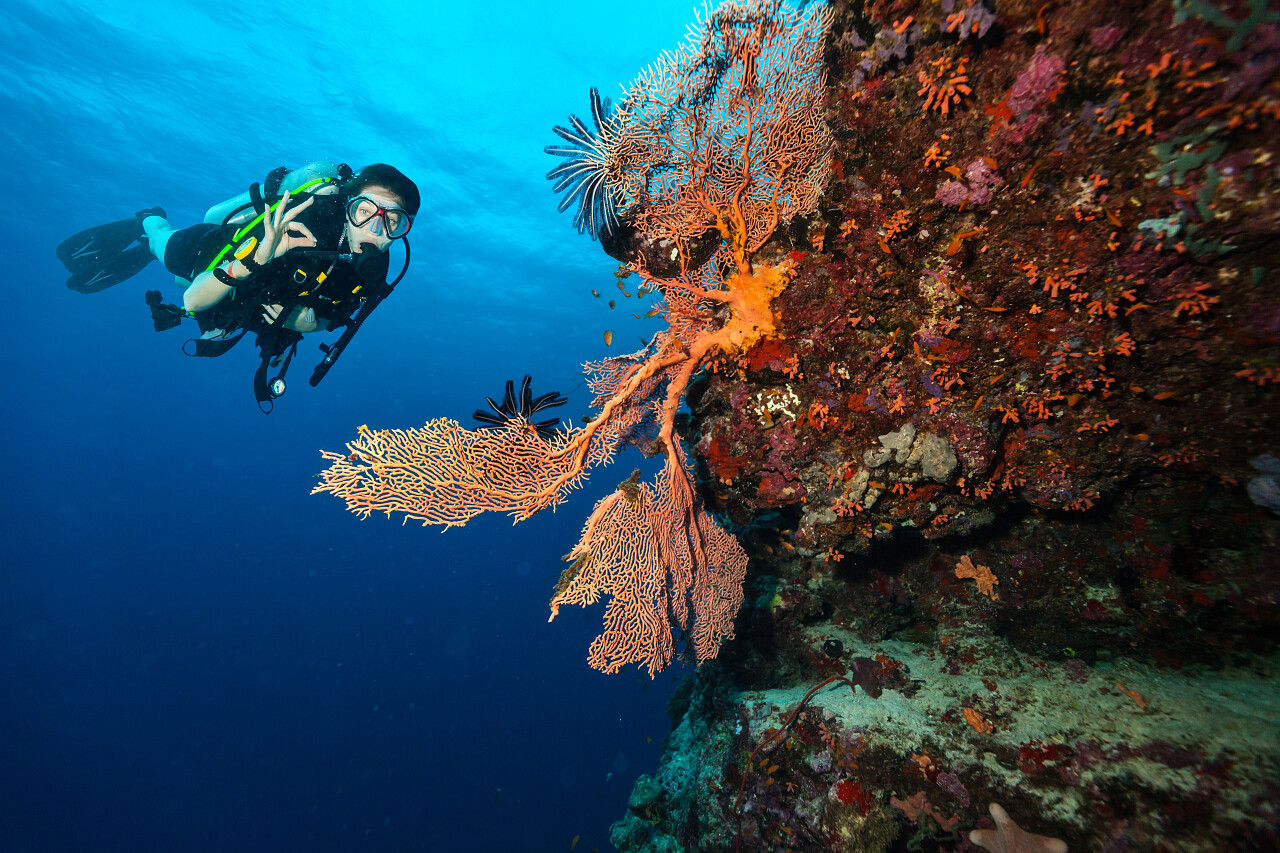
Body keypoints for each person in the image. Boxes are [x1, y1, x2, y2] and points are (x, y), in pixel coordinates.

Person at [56, 162, 420, 408]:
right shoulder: (300, 217)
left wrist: (308, 322)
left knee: (197, 298)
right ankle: (149, 222)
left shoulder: (375, 269)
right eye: (364, 211)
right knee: (167, 254)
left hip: (247, 305)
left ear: (404, 228)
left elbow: (339, 316)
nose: (375, 230)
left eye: (393, 222)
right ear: (347, 206)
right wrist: (258, 256)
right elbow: (193, 301)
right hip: (214, 253)